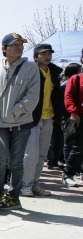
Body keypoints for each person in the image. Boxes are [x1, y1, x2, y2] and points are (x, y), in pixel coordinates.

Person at [0, 33, 40, 210]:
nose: (19, 47)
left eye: (21, 44)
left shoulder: (31, 67)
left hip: (20, 123)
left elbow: (32, 97)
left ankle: (14, 196)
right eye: (14, 44)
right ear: (4, 48)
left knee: (16, 162)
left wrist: (14, 112)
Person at [22, 44, 64, 196]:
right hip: (32, 118)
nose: (47, 56)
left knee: (42, 155)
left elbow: (57, 95)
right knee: (31, 154)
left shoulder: (54, 72)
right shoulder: (30, 71)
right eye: (43, 53)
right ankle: (25, 185)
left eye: (49, 53)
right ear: (35, 56)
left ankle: (35, 184)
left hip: (49, 118)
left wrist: (58, 114)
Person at [62, 52, 83, 187]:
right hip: (80, 118)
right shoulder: (76, 78)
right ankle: (68, 174)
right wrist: (73, 113)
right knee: (78, 148)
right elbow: (68, 97)